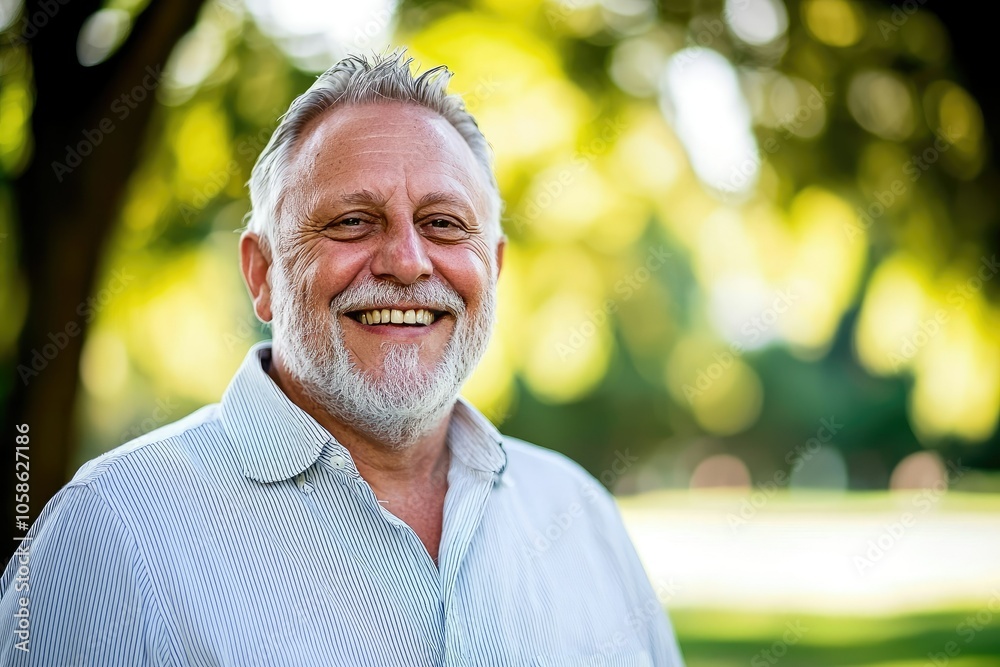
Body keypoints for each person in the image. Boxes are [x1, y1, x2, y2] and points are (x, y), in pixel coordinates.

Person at [0, 50, 685, 666]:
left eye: (443, 223)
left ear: (494, 270)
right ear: (262, 272)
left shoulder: (580, 513)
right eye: (352, 221)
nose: (407, 262)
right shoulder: (110, 530)